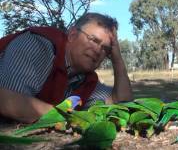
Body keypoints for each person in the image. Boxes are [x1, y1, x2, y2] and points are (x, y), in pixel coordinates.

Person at [0, 12, 133, 123]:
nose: (98, 50)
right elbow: (8, 101)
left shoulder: (86, 79)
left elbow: (122, 104)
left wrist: (117, 59)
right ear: (72, 35)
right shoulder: (38, 45)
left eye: (106, 49)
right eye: (93, 40)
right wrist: (73, 119)